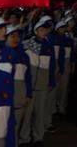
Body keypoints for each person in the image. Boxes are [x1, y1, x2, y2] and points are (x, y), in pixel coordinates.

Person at [20, 16, 56, 146]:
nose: (44, 31)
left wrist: (51, 81)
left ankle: (38, 137)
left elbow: (52, 66)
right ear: (36, 30)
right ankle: (24, 138)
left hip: (42, 84)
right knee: (27, 113)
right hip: (29, 85)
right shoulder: (27, 44)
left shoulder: (48, 46)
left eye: (46, 29)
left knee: (40, 113)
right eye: (41, 29)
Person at [4, 26, 32, 144]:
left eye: (18, 36)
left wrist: (28, 94)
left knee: (15, 127)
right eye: (12, 36)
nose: (16, 39)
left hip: (19, 96)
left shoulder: (24, 56)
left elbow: (28, 76)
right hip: (3, 99)